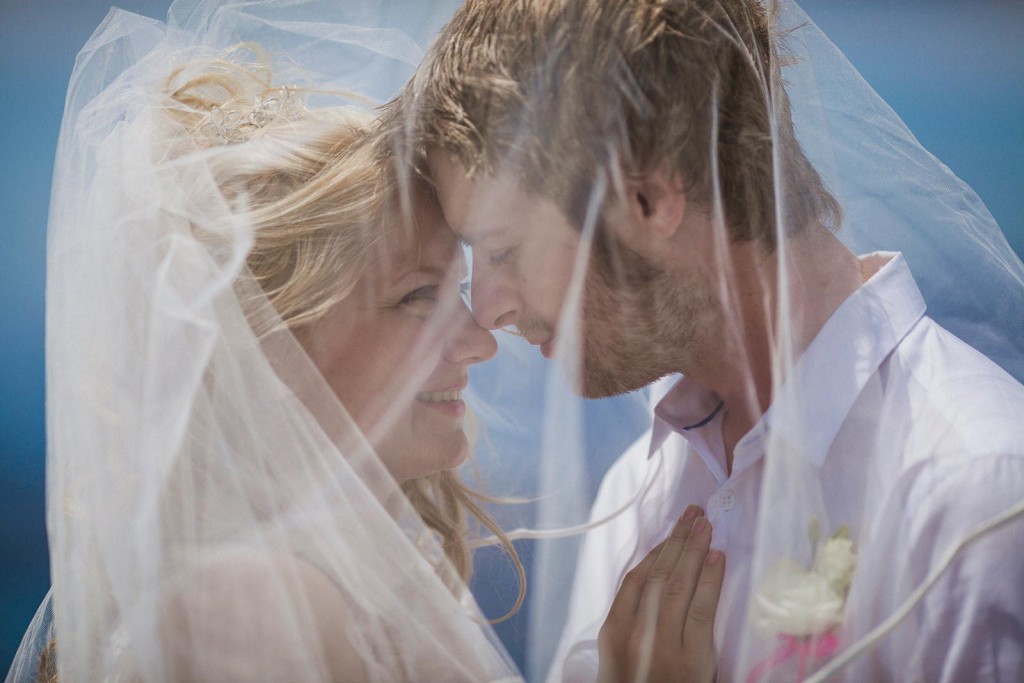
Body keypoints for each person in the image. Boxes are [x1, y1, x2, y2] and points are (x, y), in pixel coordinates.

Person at [7, 2, 725, 681]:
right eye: (417, 296)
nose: (480, 342)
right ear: (264, 340)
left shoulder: (342, 571)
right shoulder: (241, 608)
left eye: (460, 293)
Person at [386, 0, 1024, 680]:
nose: (485, 310)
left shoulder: (977, 502)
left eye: (505, 249)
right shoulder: (634, 491)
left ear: (652, 198)